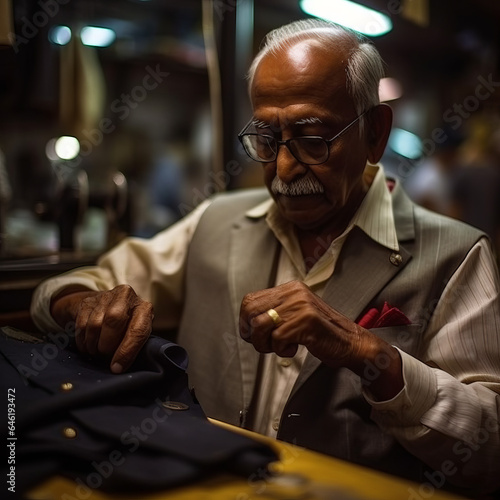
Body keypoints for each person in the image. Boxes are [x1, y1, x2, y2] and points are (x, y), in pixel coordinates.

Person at [31, 19, 500, 496]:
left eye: (313, 138)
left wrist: (366, 352)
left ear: (375, 134)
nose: (282, 168)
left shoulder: (457, 256)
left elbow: (490, 451)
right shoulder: (216, 221)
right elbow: (73, 288)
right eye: (266, 138)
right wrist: (84, 304)